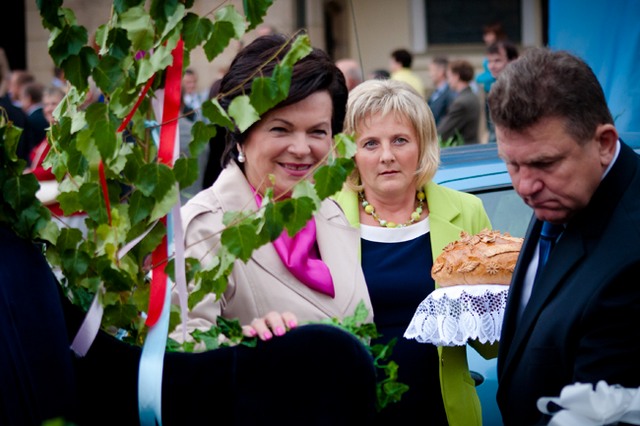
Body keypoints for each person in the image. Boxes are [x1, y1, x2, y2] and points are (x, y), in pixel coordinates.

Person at [174, 34, 373, 342]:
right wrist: (250, 348)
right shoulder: (203, 229)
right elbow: (181, 344)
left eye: (317, 132)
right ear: (241, 135)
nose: (301, 148)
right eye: (281, 129)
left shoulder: (331, 212)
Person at [488, 47, 640, 425]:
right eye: (511, 164)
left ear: (604, 143)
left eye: (544, 163)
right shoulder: (566, 193)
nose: (525, 186)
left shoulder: (632, 258)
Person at [334, 78, 496, 425]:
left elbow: (492, 343)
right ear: (351, 153)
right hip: (352, 411)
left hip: (443, 413)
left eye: (400, 140)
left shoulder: (467, 211)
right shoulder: (324, 218)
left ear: (422, 145)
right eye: (370, 143)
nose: (387, 156)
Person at [26, 86, 87, 234]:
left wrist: (29, 174)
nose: (48, 109)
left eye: (53, 104)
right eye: (46, 104)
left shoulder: (69, 133)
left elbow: (59, 167)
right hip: (54, 212)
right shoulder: (53, 133)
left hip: (68, 213)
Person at [437, 59, 480, 145]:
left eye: (449, 77)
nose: (448, 81)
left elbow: (442, 132)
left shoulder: (461, 102)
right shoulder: (472, 96)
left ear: (456, 76)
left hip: (463, 148)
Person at [485, 40, 519, 142]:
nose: (492, 66)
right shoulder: (494, 87)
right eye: (489, 61)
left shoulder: (521, 89)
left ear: (513, 60)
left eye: (497, 61)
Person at [20, 80, 49, 160]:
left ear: (28, 98)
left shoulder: (29, 119)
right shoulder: (45, 115)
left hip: (35, 160)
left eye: (21, 97)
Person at [475, 21, 507, 94]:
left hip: (500, 91)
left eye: (489, 34)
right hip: (490, 91)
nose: (485, 37)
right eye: (485, 34)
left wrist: (477, 78)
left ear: (497, 35)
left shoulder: (502, 50)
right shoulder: (489, 49)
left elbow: (496, 74)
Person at [427, 56, 456, 125]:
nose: (429, 75)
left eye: (431, 71)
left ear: (441, 72)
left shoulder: (450, 94)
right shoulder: (436, 93)